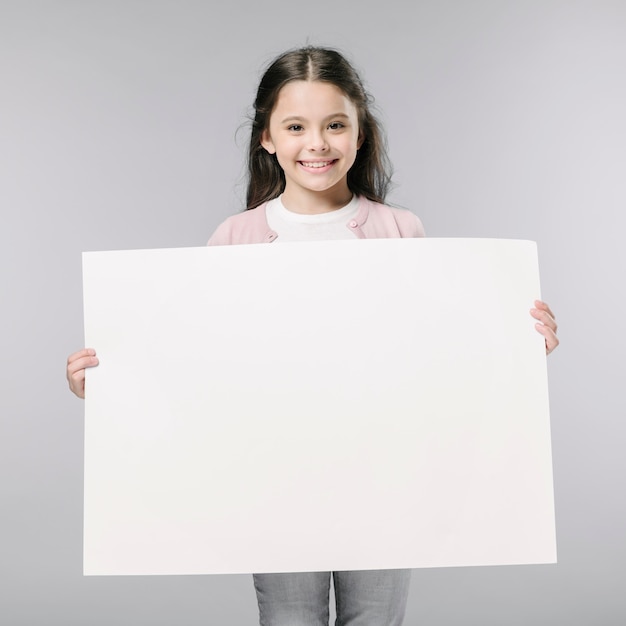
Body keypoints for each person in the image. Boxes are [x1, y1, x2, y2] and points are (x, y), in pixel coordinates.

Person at [67, 46, 559, 626]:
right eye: (296, 127)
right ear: (268, 139)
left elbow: (437, 360)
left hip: (387, 476)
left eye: (335, 125)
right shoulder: (236, 238)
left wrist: (520, 345)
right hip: (274, 480)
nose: (317, 143)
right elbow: (195, 370)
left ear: (359, 134)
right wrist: (106, 384)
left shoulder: (400, 231)